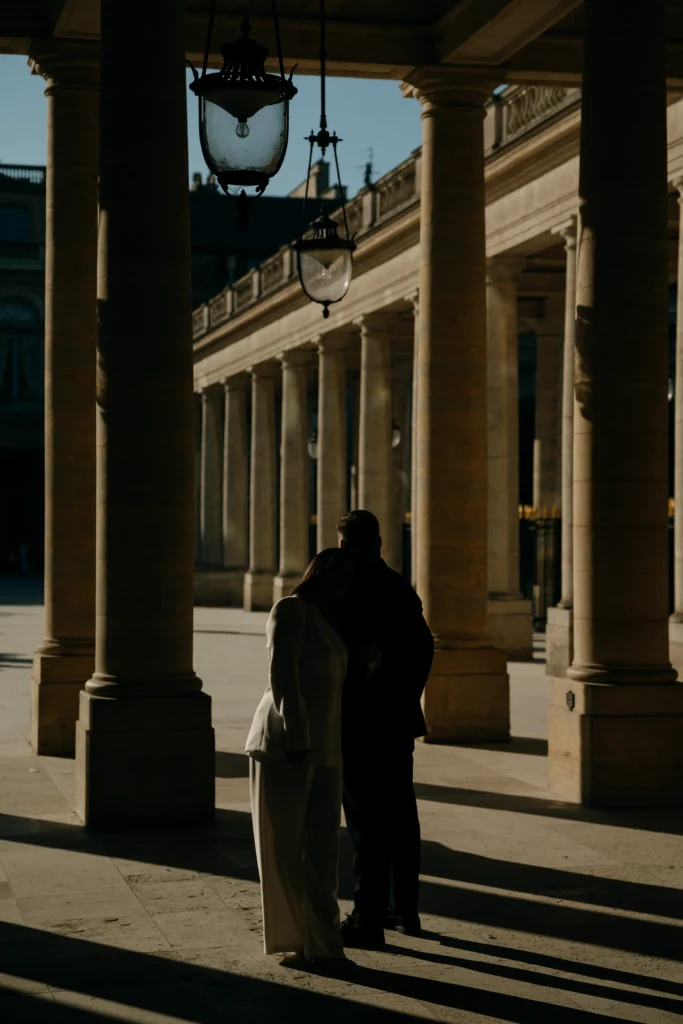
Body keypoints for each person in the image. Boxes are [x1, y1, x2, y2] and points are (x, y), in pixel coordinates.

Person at [246, 548, 354, 973]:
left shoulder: (328, 620)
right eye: (342, 578)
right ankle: (298, 939)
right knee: (286, 847)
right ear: (323, 575)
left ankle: (323, 942)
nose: (347, 588)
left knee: (324, 848)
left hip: (326, 748)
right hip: (288, 745)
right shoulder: (291, 609)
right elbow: (282, 676)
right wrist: (297, 737)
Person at [336, 510, 434, 949]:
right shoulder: (399, 586)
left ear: (351, 545)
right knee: (400, 815)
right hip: (396, 720)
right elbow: (423, 648)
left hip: (361, 720)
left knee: (364, 822)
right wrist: (404, 696)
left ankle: (367, 916)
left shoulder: (350, 589)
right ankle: (405, 910)